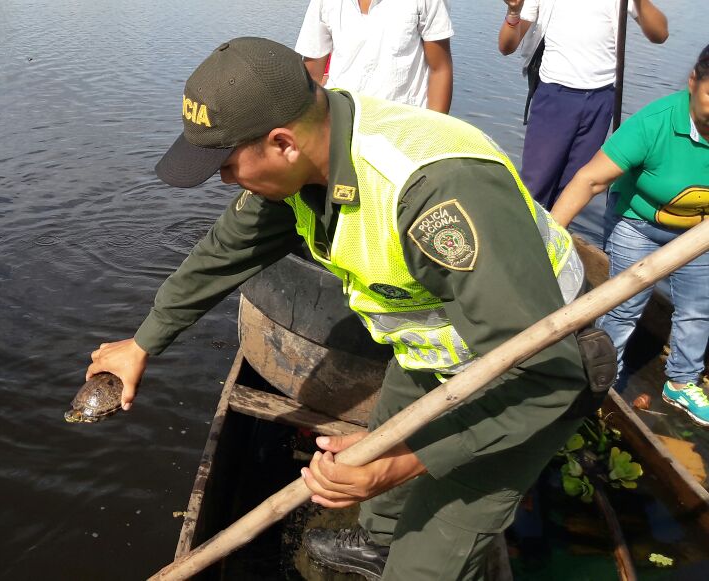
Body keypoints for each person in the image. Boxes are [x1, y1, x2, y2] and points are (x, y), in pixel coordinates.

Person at [87, 37, 597, 579]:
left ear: (282, 143)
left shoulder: (434, 194)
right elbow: (224, 252)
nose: (225, 180)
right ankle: (377, 545)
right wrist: (142, 343)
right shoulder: (309, 158)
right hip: (433, 342)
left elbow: (547, 377)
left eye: (228, 165)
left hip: (534, 366)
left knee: (427, 546)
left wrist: (408, 461)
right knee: (378, 480)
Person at [551, 44, 709, 426]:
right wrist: (549, 239)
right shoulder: (654, 123)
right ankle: (602, 379)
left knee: (699, 308)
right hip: (637, 224)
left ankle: (682, 382)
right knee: (623, 307)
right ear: (693, 81)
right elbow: (589, 180)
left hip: (699, 231)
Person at [497, 0, 669, 209]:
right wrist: (513, 12)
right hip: (555, 96)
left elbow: (660, 34)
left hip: (602, 100)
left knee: (573, 191)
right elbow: (507, 46)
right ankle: (525, 228)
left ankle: (556, 231)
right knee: (535, 188)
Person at [295, 0, 454, 113]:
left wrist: (433, 135)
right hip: (341, 122)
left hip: (403, 128)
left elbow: (440, 69)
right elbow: (312, 75)